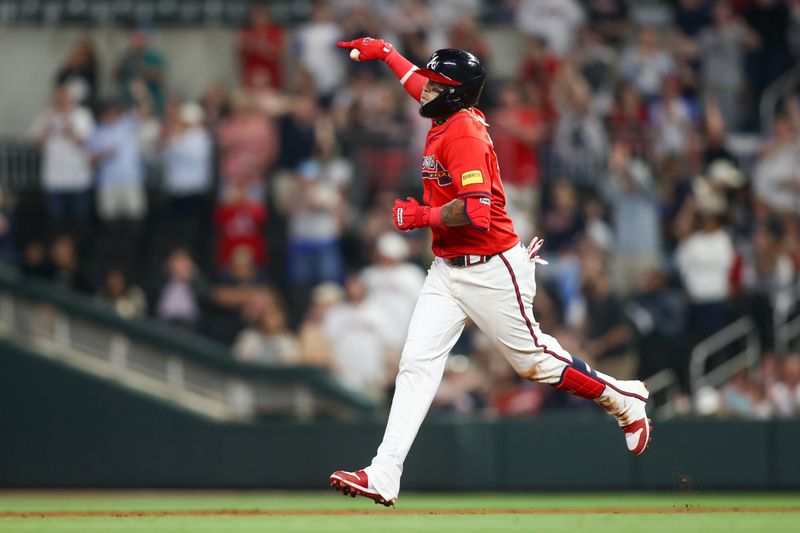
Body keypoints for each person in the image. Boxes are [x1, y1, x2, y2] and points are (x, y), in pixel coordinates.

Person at [330, 37, 652, 507]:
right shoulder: (446, 113)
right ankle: (383, 473)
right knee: (416, 365)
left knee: (535, 363)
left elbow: (477, 211)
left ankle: (623, 399)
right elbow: (419, 83)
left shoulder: (463, 133)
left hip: (491, 268)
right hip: (446, 269)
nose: (426, 88)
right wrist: (386, 53)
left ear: (455, 93)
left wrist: (420, 217)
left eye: (438, 83)